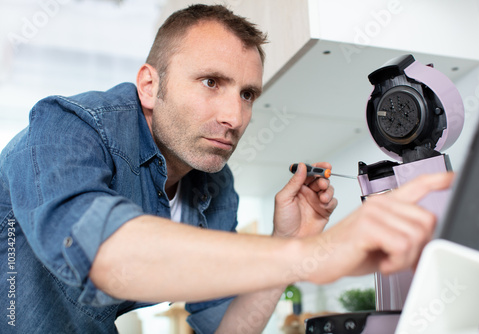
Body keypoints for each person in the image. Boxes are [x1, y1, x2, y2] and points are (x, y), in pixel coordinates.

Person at [0, 4, 453, 334]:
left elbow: (226, 330)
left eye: (247, 94)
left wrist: (289, 244)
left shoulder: (214, 186)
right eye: (211, 82)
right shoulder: (66, 129)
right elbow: (104, 254)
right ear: (149, 85)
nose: (234, 118)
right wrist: (324, 254)